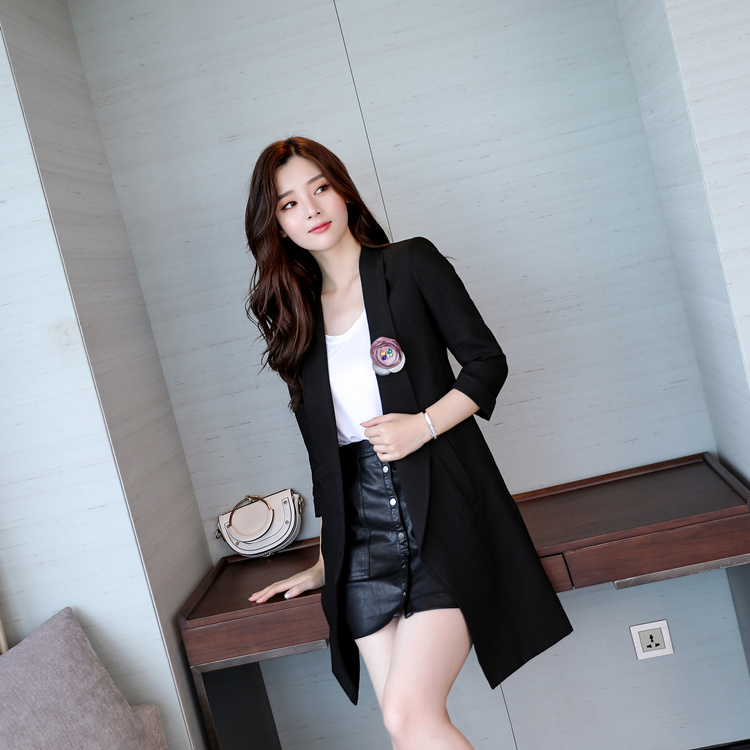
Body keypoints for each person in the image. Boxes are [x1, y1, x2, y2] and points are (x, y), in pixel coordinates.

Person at [245, 136, 572, 749]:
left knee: (408, 711)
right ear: (278, 226)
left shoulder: (409, 264)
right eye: (289, 204)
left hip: (440, 509)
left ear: (343, 191)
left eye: (320, 188)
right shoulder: (297, 318)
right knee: (404, 727)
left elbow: (487, 364)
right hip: (361, 536)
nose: (311, 209)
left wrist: (421, 425)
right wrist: (326, 562)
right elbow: (325, 459)